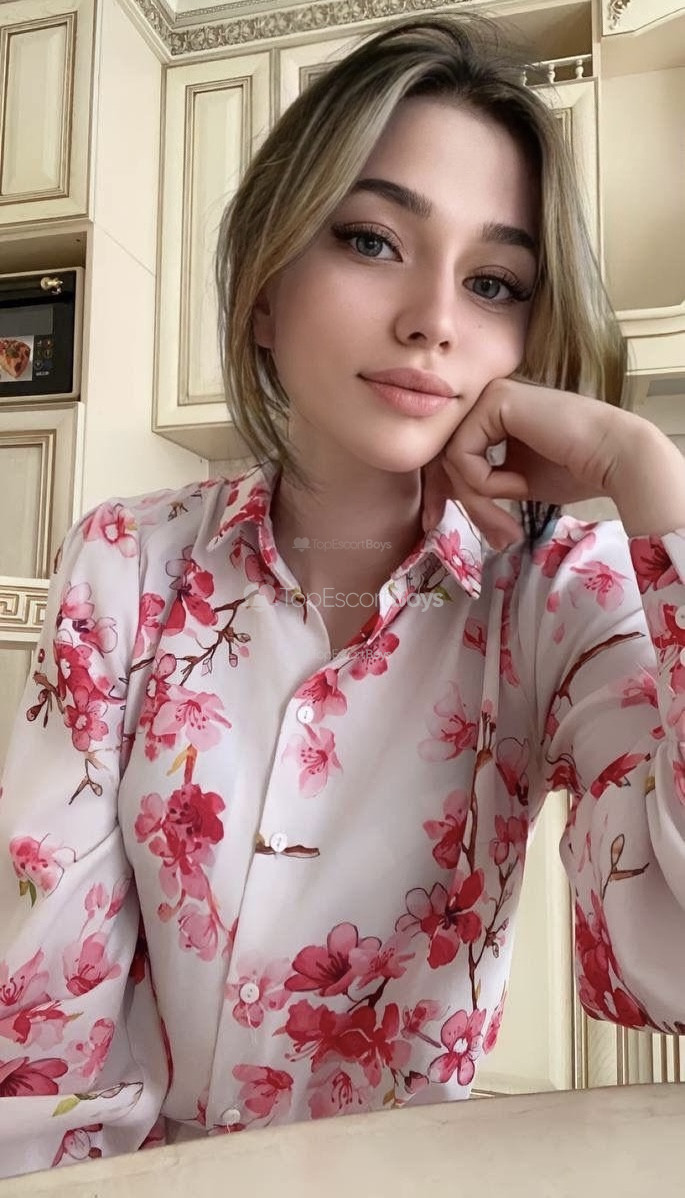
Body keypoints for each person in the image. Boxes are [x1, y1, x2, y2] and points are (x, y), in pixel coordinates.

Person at [1, 12, 684, 1180]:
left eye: (493, 281)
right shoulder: (125, 558)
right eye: (372, 240)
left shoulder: (560, 596)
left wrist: (653, 482)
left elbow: (665, 965)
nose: (434, 318)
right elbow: (46, 1008)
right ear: (266, 290)